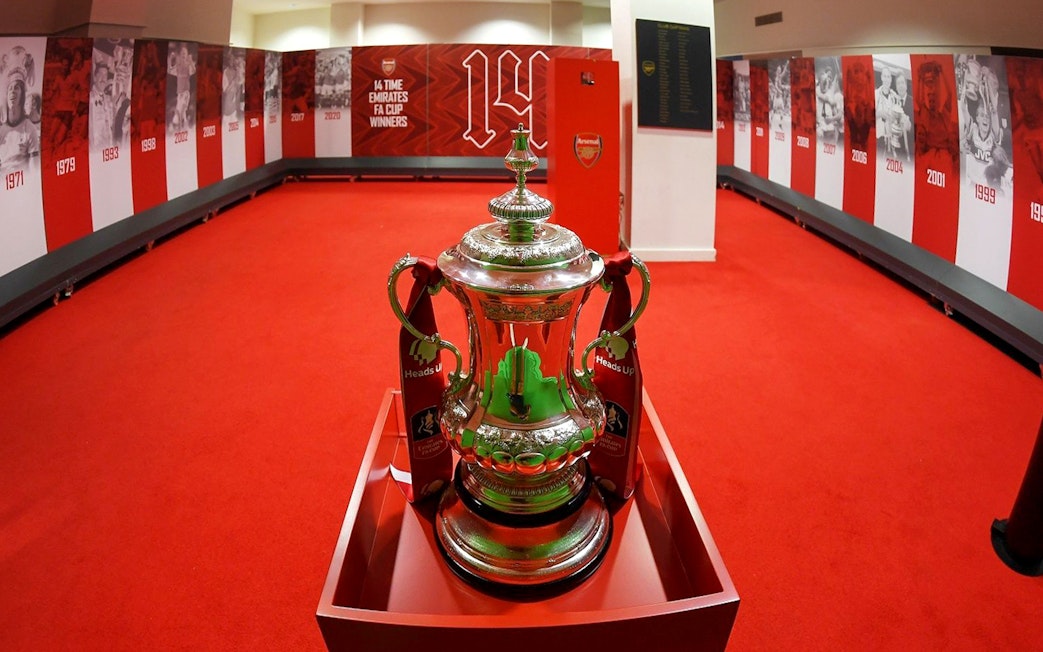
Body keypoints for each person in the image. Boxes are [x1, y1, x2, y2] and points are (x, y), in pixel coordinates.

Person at [0, 45, 40, 173]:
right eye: (10, 89)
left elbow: (34, 172)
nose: (12, 92)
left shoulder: (30, 129)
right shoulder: (2, 131)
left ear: (22, 94)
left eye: (16, 88)